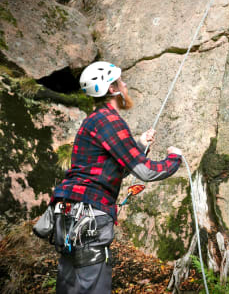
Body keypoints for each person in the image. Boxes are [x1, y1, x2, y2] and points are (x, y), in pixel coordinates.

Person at [50, 61, 182, 293]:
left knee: (70, 286)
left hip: (70, 214)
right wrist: (174, 158)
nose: (126, 84)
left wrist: (139, 145)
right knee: (94, 286)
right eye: (121, 81)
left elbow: (111, 167)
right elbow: (146, 171)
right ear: (113, 90)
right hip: (89, 218)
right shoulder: (109, 121)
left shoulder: (96, 120)